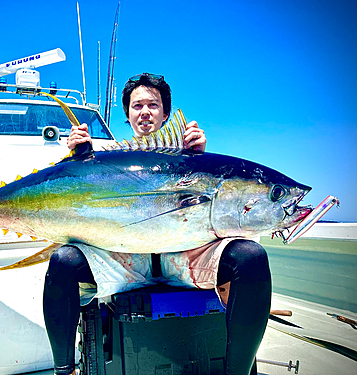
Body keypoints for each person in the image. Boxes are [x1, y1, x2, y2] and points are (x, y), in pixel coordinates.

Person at [43, 73, 271, 375]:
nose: (145, 111)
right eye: (137, 105)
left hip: (183, 258)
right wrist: (76, 159)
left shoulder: (188, 153)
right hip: (128, 262)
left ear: (166, 113)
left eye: (153, 104)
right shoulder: (106, 160)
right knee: (63, 262)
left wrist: (197, 160)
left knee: (251, 257)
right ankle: (64, 371)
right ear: (127, 114)